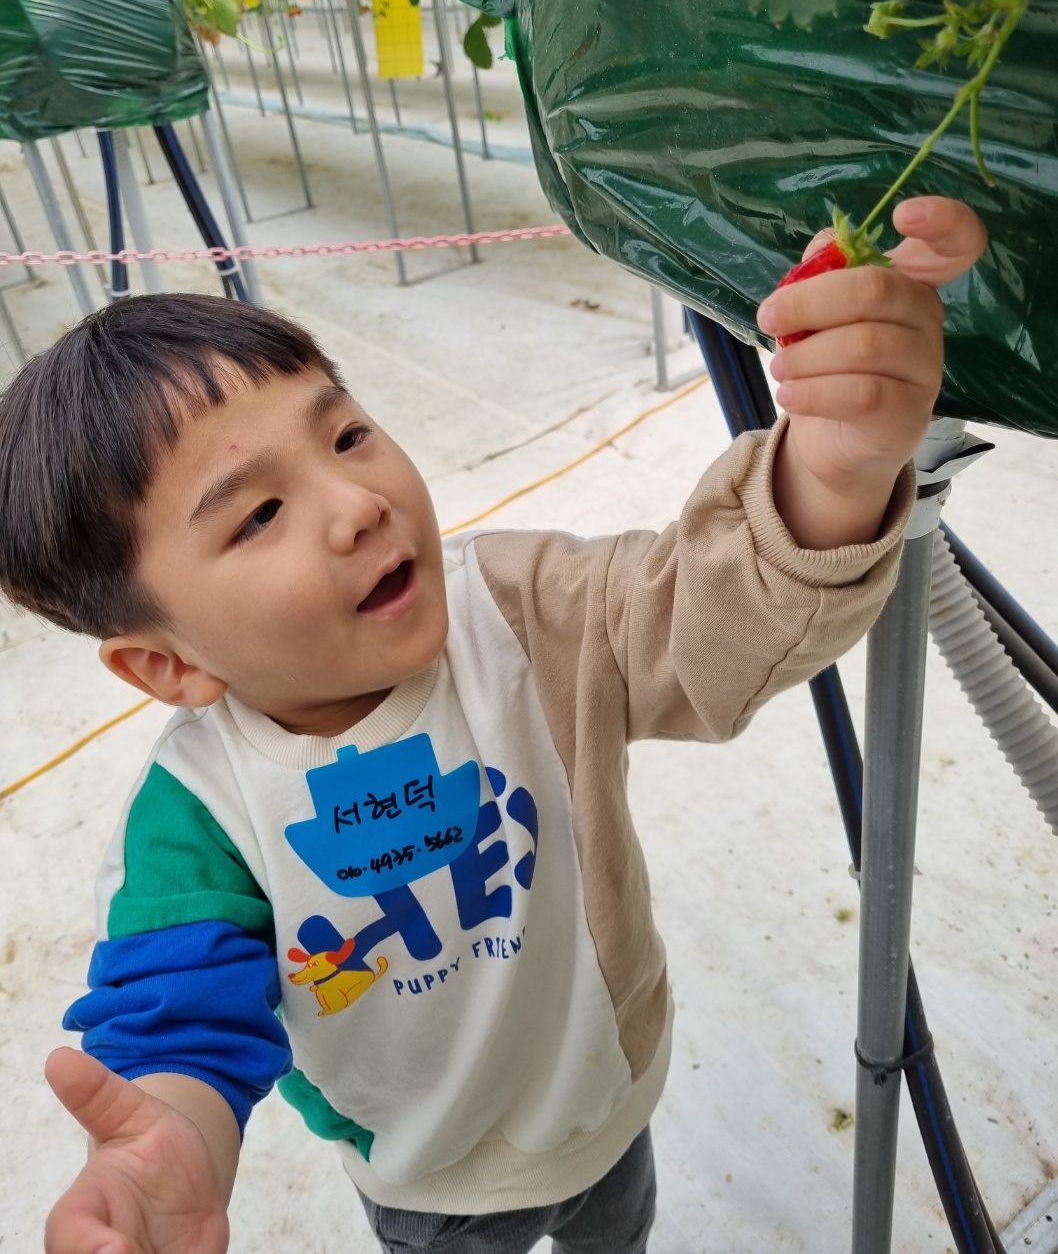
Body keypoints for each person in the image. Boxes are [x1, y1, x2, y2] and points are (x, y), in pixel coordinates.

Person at [0, 197, 986, 1254]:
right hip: (432, 1180)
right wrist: (173, 1146)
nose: (356, 503)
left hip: (608, 1108)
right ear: (167, 663)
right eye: (259, 514)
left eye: (345, 433)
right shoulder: (199, 820)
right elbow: (182, 1024)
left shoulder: (523, 612)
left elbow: (706, 612)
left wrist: (833, 467)